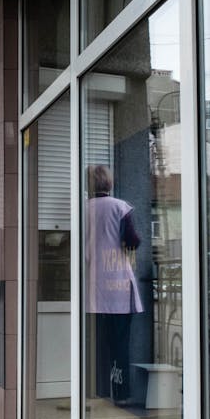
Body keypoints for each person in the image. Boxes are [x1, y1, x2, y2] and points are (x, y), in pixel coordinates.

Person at [84, 164, 142, 403]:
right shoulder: (120, 207)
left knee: (97, 346)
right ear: (109, 182)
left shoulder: (83, 210)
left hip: (93, 286)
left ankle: (96, 391)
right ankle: (120, 393)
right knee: (120, 344)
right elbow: (133, 241)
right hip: (118, 284)